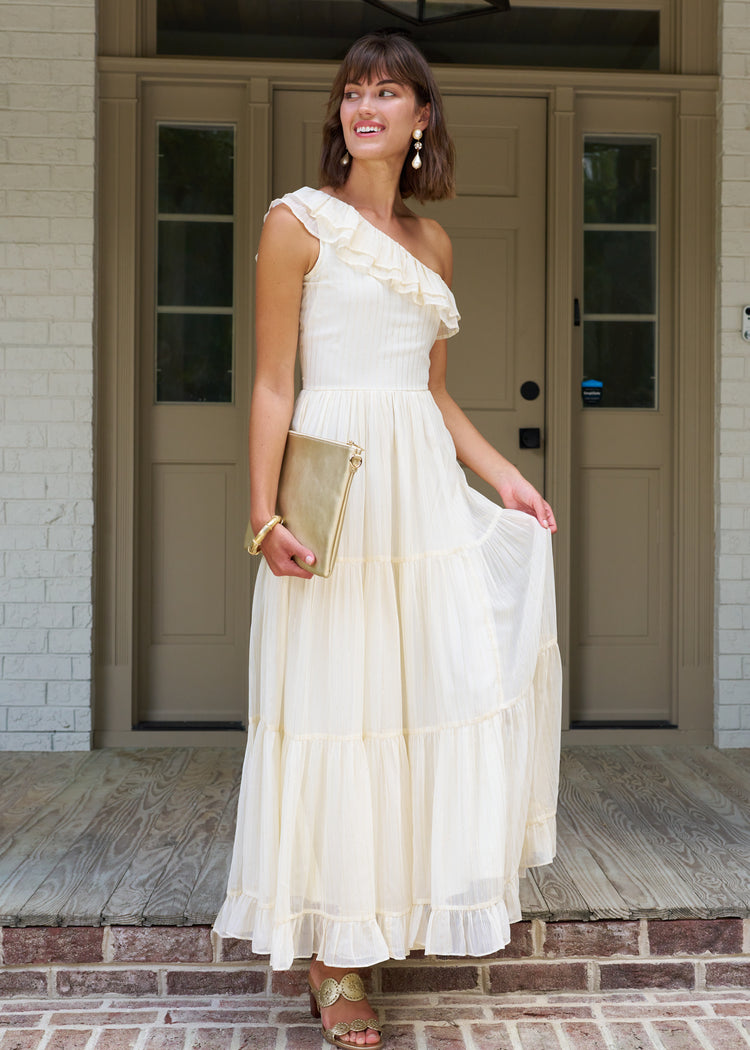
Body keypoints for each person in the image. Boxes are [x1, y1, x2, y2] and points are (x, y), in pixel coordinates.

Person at [213, 31, 562, 1049]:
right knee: (335, 705)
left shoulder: (435, 246)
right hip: (336, 494)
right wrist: (264, 513)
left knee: (419, 700)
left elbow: (435, 394)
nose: (367, 107)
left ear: (421, 121)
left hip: (418, 492)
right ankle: (335, 963)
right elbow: (276, 380)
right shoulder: (297, 224)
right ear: (341, 117)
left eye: (389, 93)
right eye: (353, 92)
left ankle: (382, 915)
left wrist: (502, 477)